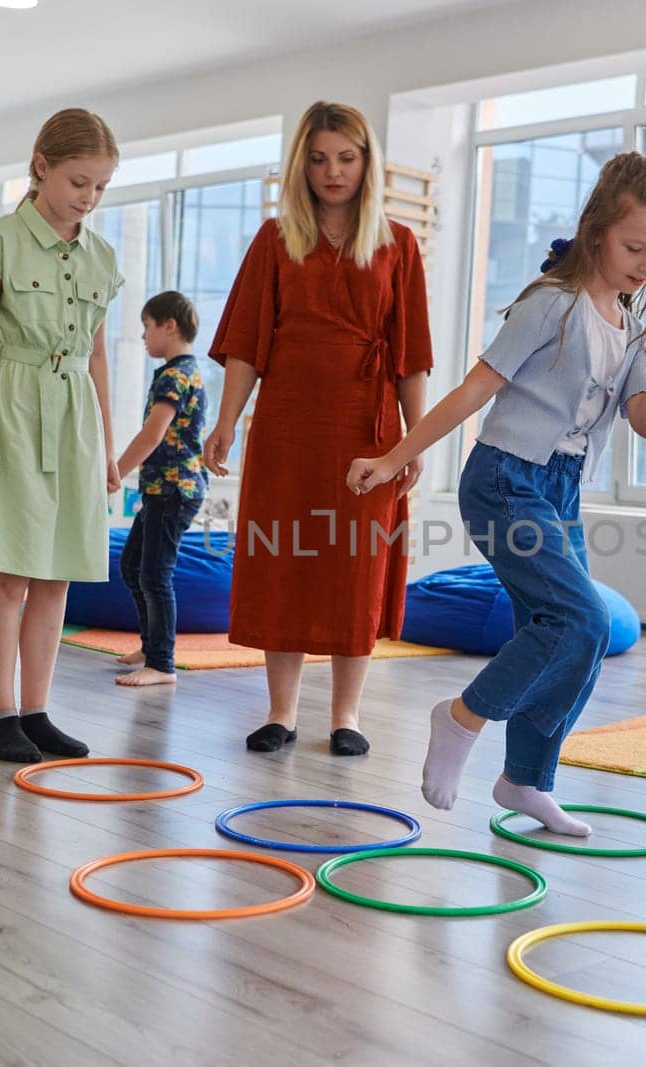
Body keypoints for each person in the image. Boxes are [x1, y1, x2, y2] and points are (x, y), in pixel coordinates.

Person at [347, 151, 646, 834]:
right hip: (503, 480)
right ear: (599, 228)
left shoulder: (635, 323)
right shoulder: (552, 304)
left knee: (572, 636)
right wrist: (395, 456)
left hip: (560, 491)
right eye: (636, 246)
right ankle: (460, 717)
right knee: (583, 619)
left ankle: (524, 779)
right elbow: (473, 390)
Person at [204, 100, 432, 757]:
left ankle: (347, 715)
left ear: (368, 164)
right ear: (301, 164)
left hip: (366, 429)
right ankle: (280, 711)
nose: (333, 172)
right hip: (286, 426)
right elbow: (247, 344)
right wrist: (225, 423)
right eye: (319, 158)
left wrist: (411, 443)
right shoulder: (275, 240)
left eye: (347, 158)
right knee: (286, 560)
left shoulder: (399, 244)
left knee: (354, 569)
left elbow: (412, 353)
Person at [0, 107, 125, 763]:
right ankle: (2, 715)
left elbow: (101, 356)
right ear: (42, 166)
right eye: (79, 181)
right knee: (12, 569)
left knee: (58, 574)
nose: (88, 197)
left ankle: (37, 709)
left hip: (76, 408)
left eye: (100, 187)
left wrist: (107, 446)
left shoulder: (103, 258)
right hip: (13, 404)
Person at [112, 292, 206, 687]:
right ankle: (151, 646)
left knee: (155, 574)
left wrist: (115, 472)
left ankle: (162, 663)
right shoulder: (182, 371)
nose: (144, 336)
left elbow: (152, 435)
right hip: (161, 488)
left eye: (148, 327)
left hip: (174, 488)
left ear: (170, 326)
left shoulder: (175, 376)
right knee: (132, 564)